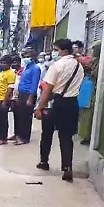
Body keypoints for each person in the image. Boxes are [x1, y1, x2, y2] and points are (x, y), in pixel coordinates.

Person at [34, 38, 85, 183]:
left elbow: (47, 89)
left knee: (47, 133)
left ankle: (44, 161)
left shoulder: (57, 65)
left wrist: (39, 108)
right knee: (66, 137)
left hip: (56, 103)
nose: (54, 53)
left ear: (63, 50)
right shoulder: (78, 66)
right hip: (72, 103)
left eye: (56, 50)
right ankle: (67, 168)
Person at [13, 48, 42, 145]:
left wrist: (30, 98)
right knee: (19, 115)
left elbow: (34, 84)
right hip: (21, 94)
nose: (24, 57)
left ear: (32, 56)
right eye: (23, 55)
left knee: (25, 117)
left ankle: (24, 137)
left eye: (26, 55)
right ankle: (18, 134)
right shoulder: (26, 68)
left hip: (28, 95)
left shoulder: (35, 68)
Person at [78, 40, 101, 146]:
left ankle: (88, 136)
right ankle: (83, 134)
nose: (93, 51)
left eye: (94, 49)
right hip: (87, 89)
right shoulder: (93, 60)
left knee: (90, 114)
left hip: (93, 91)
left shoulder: (101, 62)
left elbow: (96, 75)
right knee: (84, 113)